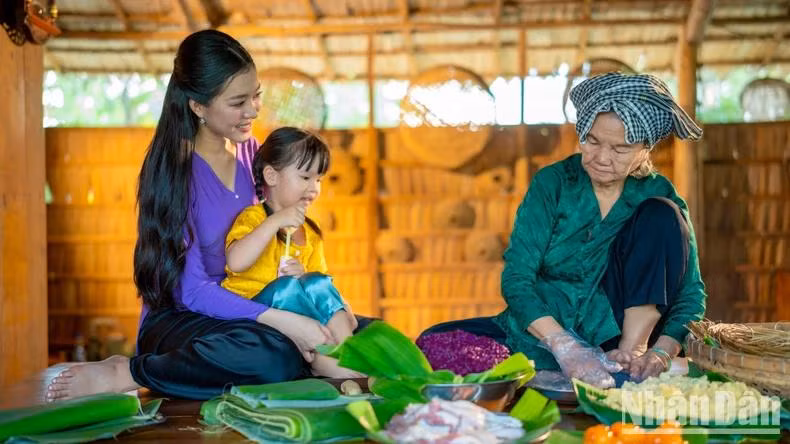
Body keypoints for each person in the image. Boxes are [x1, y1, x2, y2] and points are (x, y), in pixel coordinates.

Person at [46, 29, 371, 402]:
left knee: (361, 329)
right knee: (273, 357)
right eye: (238, 102)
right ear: (198, 107)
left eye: (256, 95)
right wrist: (285, 321)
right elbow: (194, 292)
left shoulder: (253, 157)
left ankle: (300, 351)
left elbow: (277, 229)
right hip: (183, 319)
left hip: (251, 307)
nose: (253, 110)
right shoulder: (175, 174)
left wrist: (304, 295)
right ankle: (131, 371)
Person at [419, 72, 706, 388]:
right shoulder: (554, 183)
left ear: (644, 149)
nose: (602, 158)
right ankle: (567, 363)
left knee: (661, 214)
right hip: (544, 333)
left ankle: (626, 357)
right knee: (433, 343)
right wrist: (564, 345)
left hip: (616, 333)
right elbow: (517, 278)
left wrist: (662, 352)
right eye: (592, 141)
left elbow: (690, 295)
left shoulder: (660, 194)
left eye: (620, 148)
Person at [221, 126, 361, 378]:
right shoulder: (253, 218)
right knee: (285, 288)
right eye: (305, 177)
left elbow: (322, 284)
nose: (314, 188)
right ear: (272, 176)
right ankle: (323, 360)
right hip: (254, 312)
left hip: (300, 314)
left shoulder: (310, 232)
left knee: (316, 281)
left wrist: (307, 278)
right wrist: (275, 221)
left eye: (318, 179)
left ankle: (348, 351)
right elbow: (236, 261)